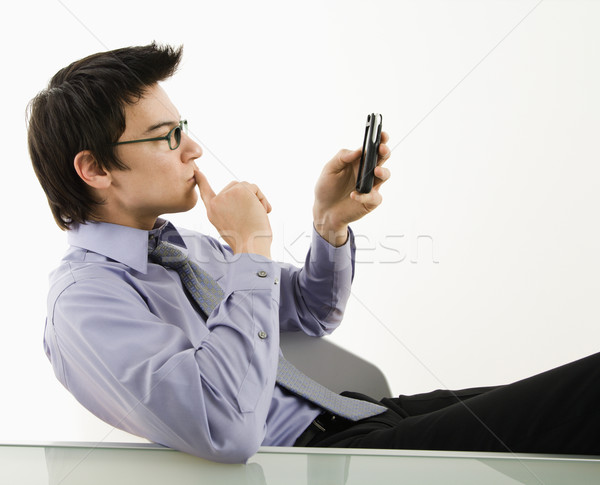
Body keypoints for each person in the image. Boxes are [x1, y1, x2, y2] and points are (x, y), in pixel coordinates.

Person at [28, 43, 600, 464]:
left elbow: (308, 311)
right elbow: (226, 426)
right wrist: (251, 249)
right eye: (167, 136)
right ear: (95, 168)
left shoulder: (188, 250)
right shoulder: (84, 304)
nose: (195, 149)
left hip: (361, 414)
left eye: (186, 128)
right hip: (320, 459)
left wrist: (328, 226)